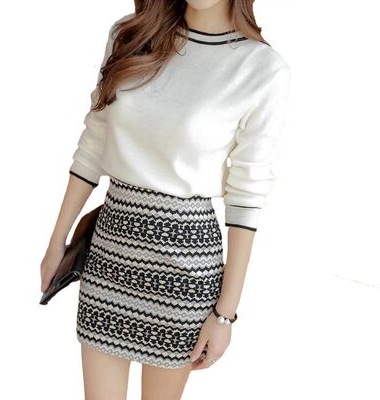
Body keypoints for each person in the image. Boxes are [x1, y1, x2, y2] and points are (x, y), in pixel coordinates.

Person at [40, 0, 291, 398]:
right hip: (110, 257)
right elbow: (93, 144)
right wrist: (58, 241)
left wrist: (224, 314)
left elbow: (247, 195)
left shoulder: (261, 68)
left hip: (184, 274)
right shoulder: (131, 36)